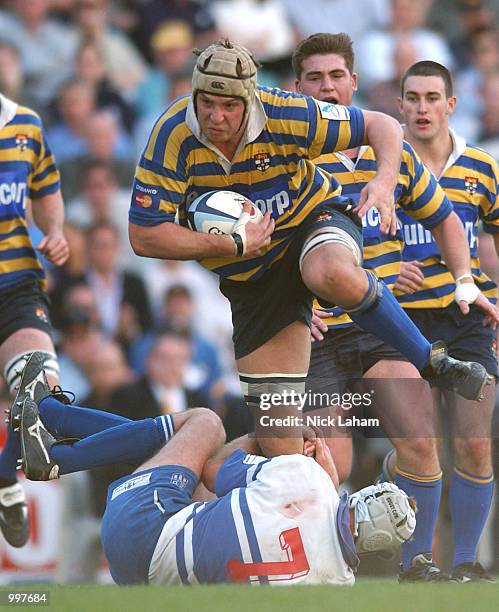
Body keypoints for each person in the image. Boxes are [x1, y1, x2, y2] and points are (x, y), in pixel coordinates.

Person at [128, 39, 492, 460]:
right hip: (254, 280)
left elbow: (384, 126)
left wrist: (384, 182)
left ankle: (430, 361)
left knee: (328, 273)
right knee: (287, 448)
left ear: (251, 98)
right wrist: (228, 243)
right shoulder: (173, 132)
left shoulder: (286, 111)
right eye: (207, 103)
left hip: (312, 222)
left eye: (229, 106)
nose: (215, 116)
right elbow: (143, 235)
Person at [291, 31, 499, 582]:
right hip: (317, 335)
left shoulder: (395, 155)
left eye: (336, 76)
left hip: (388, 328)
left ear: (354, 82)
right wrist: (289, 304)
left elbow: (450, 220)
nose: (328, 88)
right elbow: (259, 248)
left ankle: (425, 565)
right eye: (315, 78)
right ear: (297, 87)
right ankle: (328, 571)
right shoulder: (283, 163)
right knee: (329, 465)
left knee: (427, 441)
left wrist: (465, 282)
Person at [12, 352, 416, 586]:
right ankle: (53, 414)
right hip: (147, 579)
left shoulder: (309, 480)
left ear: (366, 497)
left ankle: (54, 453)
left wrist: (269, 438)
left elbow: (212, 467)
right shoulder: (339, 585)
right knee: (182, 469)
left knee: (204, 424)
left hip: (140, 526)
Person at [390, 60, 499, 583]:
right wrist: (385, 272)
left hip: (467, 318)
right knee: (421, 448)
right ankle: (417, 563)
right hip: (403, 321)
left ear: (451, 104)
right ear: (400, 105)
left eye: (433, 97)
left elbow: (492, 241)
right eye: (412, 97)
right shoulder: (382, 167)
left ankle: (466, 565)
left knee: (475, 442)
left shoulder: (482, 167)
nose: (422, 107)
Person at [0, 92, 68, 548]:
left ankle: (5, 476)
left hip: (16, 283)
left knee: (39, 389)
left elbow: (46, 190)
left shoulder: (25, 124)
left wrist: (56, 231)